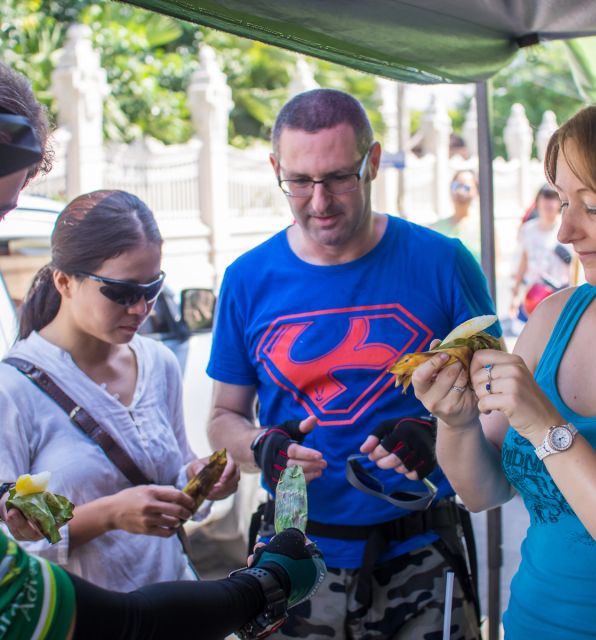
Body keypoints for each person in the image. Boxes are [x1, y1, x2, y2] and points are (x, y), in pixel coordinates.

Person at [0, 59, 326, 640]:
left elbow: (174, 492)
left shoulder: (156, 362)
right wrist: (110, 515)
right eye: (123, 292)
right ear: (65, 281)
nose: (141, 309)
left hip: (169, 604)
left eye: (152, 290)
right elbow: (12, 548)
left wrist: (198, 483)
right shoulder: (13, 389)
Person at [207, 87, 500, 639]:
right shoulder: (248, 278)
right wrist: (259, 446)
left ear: (372, 162)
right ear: (276, 168)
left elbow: (499, 394)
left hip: (420, 551)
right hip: (292, 560)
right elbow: (223, 416)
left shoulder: (444, 262)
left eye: (339, 177)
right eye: (299, 181)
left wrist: (440, 429)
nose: (320, 201)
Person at [410, 90, 596, 640]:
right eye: (563, 201)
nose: (565, 232)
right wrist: (455, 420)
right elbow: (483, 491)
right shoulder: (555, 315)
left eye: (595, 207)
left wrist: (547, 427)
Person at [510, 183, 573, 321]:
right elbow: (524, 261)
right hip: (532, 295)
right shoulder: (527, 230)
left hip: (559, 296)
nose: (548, 202)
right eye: (545, 197)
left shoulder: (567, 229)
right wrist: (515, 296)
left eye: (553, 197)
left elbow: (574, 267)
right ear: (537, 201)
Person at [431, 169, 482, 260]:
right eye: (456, 186)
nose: (460, 192)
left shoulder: (485, 228)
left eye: (466, 187)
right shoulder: (436, 228)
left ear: (476, 191)